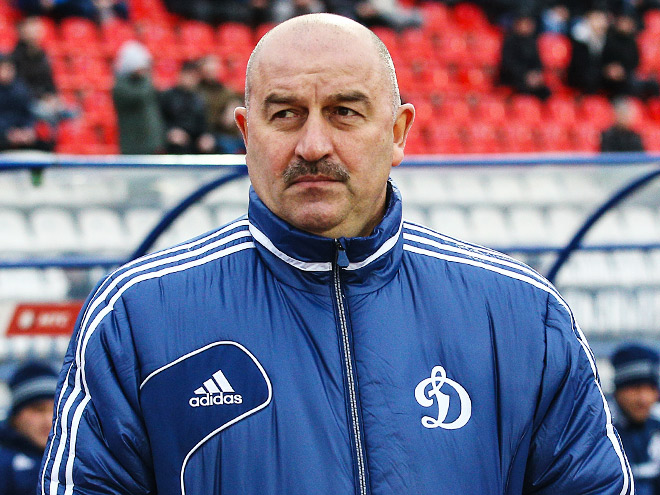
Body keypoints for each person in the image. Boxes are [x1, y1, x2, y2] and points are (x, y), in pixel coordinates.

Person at [40, 13, 633, 495]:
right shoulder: (137, 318)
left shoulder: (521, 316)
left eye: (344, 112)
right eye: (285, 114)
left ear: (397, 133)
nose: (314, 144)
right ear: (246, 134)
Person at [0, 362, 58, 495]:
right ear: (15, 417)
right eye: (38, 409)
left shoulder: (82, 460)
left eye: (55, 410)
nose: (48, 420)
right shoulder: (5, 466)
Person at [611, 344, 660, 494]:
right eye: (635, 388)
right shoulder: (601, 434)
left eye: (651, 388)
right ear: (618, 391)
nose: (644, 399)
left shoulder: (656, 429)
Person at [112, 40, 165, 155]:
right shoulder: (121, 86)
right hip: (133, 144)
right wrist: (148, 79)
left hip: (150, 142)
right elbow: (140, 96)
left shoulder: (142, 83)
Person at [160, 60, 215, 154]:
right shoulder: (167, 96)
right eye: (188, 75)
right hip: (174, 138)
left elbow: (204, 123)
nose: (190, 79)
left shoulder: (199, 98)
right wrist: (170, 131)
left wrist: (206, 136)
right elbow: (160, 119)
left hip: (195, 138)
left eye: (194, 76)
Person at [0, 54, 52, 152]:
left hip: (21, 133)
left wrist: (27, 130)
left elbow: (28, 113)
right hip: (4, 135)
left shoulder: (21, 89)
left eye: (9, 68)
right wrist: (8, 132)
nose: (6, 72)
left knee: (45, 144)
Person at [197, 55, 245, 154]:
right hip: (211, 133)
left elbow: (235, 103)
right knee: (227, 145)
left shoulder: (226, 91)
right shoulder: (196, 91)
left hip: (229, 133)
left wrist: (234, 106)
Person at [499, 13, 551, 99]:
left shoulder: (532, 41)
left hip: (531, 77)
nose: (527, 27)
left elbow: (537, 61)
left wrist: (536, 74)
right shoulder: (509, 41)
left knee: (546, 92)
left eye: (529, 24)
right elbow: (508, 63)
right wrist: (525, 75)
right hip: (514, 78)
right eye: (525, 24)